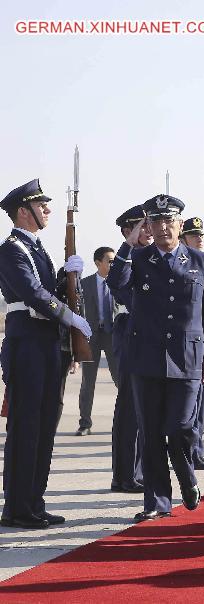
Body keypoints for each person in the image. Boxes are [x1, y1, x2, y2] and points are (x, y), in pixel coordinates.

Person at [106, 194, 204, 522]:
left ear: (180, 225)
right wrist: (129, 244)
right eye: (155, 222)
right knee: (152, 431)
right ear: (148, 227)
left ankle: (187, 476)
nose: (163, 227)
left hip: (187, 358)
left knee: (181, 426)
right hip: (146, 358)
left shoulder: (201, 261)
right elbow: (115, 283)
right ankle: (157, 501)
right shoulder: (138, 259)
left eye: (169, 221)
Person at [0, 179, 92, 529]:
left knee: (44, 428)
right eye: (41, 205)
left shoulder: (36, 248)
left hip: (46, 344)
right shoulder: (11, 250)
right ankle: (18, 508)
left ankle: (34, 502)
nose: (48, 210)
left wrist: (67, 275)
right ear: (24, 211)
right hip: (26, 347)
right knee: (26, 428)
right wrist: (70, 317)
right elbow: (33, 294)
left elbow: (48, 289)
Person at [109, 205, 149, 494]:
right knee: (129, 411)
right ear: (128, 231)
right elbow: (118, 282)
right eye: (142, 226)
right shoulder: (127, 258)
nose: (149, 231)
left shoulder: (150, 257)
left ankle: (136, 471)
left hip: (151, 340)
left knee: (144, 412)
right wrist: (129, 245)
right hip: (130, 338)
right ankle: (123, 475)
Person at [179, 217, 204, 471]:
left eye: (201, 234)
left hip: (201, 344)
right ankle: (188, 453)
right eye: (194, 235)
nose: (199, 238)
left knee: (202, 404)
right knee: (186, 408)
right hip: (180, 346)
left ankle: (197, 451)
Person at [74, 246, 121, 436]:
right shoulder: (84, 284)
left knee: (120, 379)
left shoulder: (119, 283)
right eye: (109, 261)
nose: (113, 264)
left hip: (112, 336)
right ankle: (85, 423)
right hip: (91, 337)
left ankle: (131, 418)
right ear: (97, 263)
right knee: (88, 382)